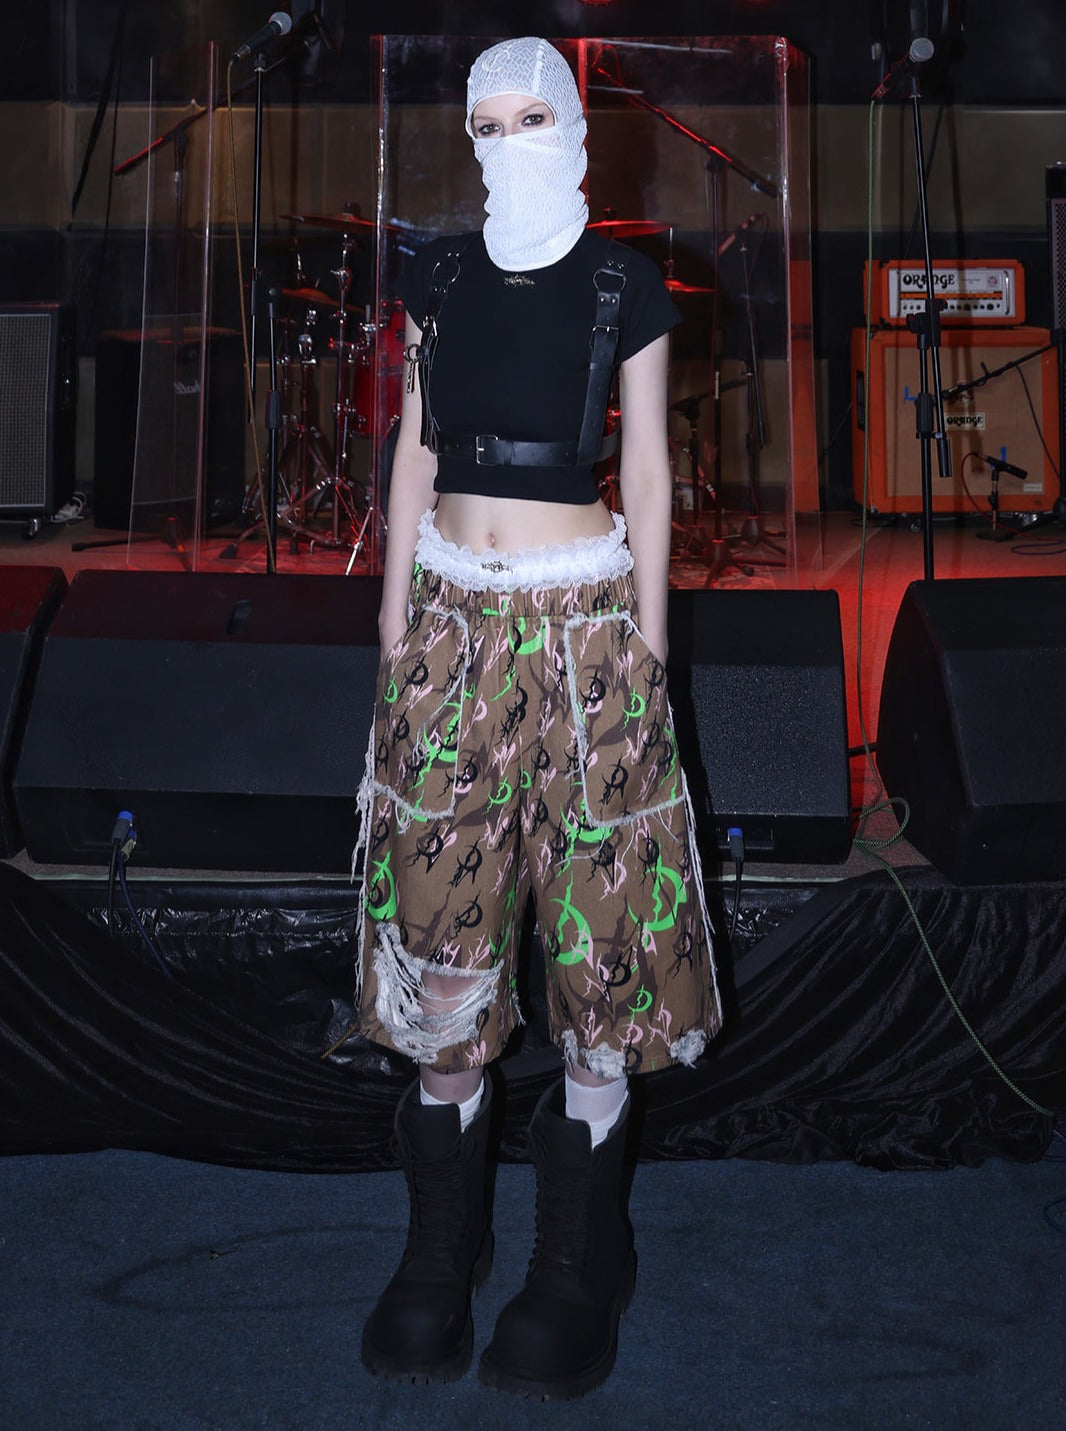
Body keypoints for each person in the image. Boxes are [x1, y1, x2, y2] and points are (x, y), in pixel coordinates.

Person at [353, 36, 722, 1398]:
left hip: (586, 633)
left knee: (600, 940)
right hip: (450, 623)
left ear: (572, 124)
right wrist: (394, 611)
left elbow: (649, 467)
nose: (508, 142)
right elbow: (413, 448)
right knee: (438, 935)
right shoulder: (437, 276)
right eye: (486, 123)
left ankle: (575, 1264)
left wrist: (650, 643)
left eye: (530, 117)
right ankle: (437, 1256)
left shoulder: (625, 286)